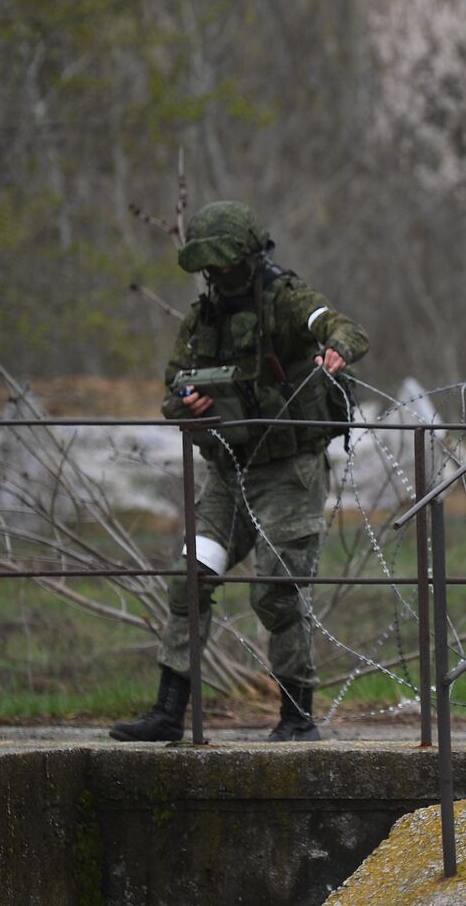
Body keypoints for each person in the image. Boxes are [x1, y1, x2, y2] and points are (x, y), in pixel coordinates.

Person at [110, 201, 369, 742]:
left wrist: (337, 349)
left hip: (288, 473)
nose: (222, 278)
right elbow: (172, 393)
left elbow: (340, 326)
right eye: (214, 270)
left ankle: (297, 717)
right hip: (228, 476)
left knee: (276, 590)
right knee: (190, 580)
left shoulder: (287, 300)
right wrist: (190, 403)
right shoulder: (201, 321)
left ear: (250, 257)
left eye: (229, 266)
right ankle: (167, 713)